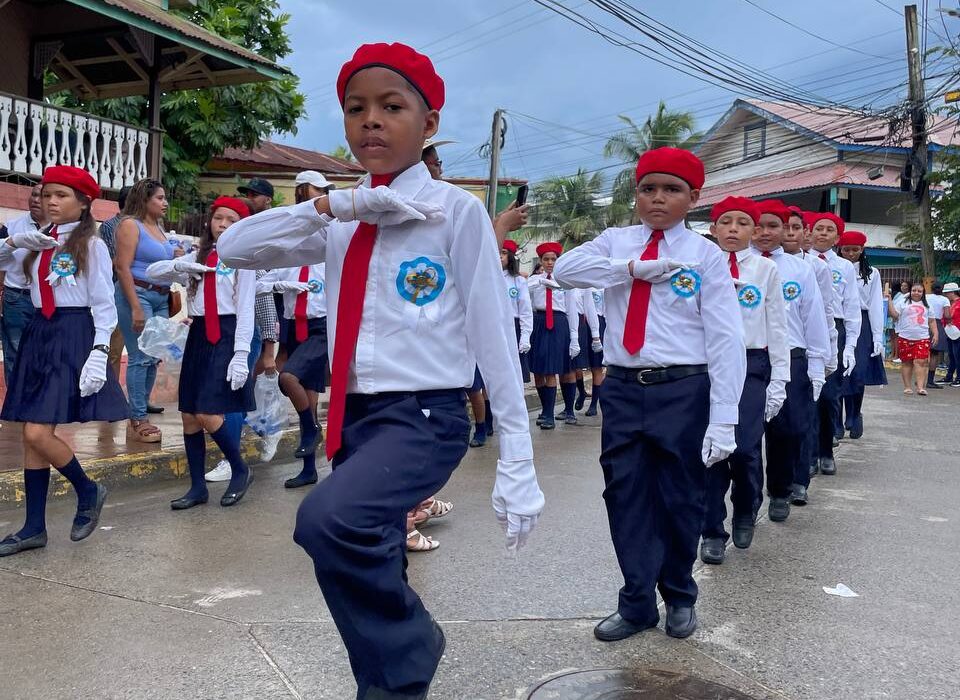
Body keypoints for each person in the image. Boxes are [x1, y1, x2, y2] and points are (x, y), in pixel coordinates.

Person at [217, 42, 544, 699]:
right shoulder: (343, 217)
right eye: (356, 108)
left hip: (425, 414)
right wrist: (334, 208)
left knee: (326, 522)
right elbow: (233, 247)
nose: (371, 120)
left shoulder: (456, 211)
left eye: (391, 107)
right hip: (357, 416)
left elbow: (490, 332)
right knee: (375, 547)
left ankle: (409, 648)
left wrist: (518, 455)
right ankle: (388, 686)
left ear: (426, 125)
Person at [555, 147, 746, 641]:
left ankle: (679, 594)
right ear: (636, 193)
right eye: (648, 188)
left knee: (681, 496)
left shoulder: (705, 255)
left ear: (693, 197)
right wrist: (631, 269)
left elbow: (725, 338)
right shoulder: (616, 242)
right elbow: (565, 270)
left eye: (671, 190)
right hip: (621, 386)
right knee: (625, 494)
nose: (658, 199)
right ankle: (637, 600)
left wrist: (724, 418)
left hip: (682, 389)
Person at [0, 165, 127, 557]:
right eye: (47, 194)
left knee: (39, 432)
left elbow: (105, 304)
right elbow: (15, 277)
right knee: (30, 435)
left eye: (62, 195)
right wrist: (13, 243)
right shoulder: (41, 238)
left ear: (85, 203)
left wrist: (100, 351)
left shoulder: (92, 244)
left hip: (73, 333)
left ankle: (88, 489)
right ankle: (33, 527)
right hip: (42, 331)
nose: (51, 201)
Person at [146, 197, 256, 510]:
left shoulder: (243, 259)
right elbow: (153, 273)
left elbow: (246, 308)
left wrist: (241, 353)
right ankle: (197, 488)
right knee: (190, 414)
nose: (222, 224)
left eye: (231, 220)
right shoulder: (200, 255)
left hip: (227, 332)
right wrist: (179, 266)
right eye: (218, 218)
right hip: (199, 333)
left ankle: (240, 469)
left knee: (208, 411)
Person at [700, 197, 788, 565]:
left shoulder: (765, 271)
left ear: (754, 230)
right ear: (714, 228)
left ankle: (745, 508)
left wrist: (780, 377)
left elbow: (778, 326)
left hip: (752, 364)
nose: (733, 229)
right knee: (709, 452)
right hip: (707, 364)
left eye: (742, 223)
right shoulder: (700, 266)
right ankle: (712, 530)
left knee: (746, 448)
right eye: (726, 222)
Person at [753, 201, 829, 515]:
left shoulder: (801, 270)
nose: (765, 232)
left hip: (792, 358)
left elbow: (814, 318)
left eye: (774, 226)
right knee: (746, 434)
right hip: (749, 357)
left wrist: (817, 365)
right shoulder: (737, 265)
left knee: (789, 429)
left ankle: (780, 489)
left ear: (786, 230)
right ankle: (748, 499)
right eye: (759, 225)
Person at [114, 179, 181, 443]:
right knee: (140, 357)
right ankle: (138, 418)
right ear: (145, 199)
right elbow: (122, 268)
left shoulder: (158, 227)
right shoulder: (131, 225)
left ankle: (141, 413)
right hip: (138, 294)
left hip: (162, 297)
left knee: (154, 356)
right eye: (160, 198)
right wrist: (135, 306)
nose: (165, 203)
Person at [257, 260, 327, 488]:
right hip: (295, 328)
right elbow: (258, 286)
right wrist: (279, 285)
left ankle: (313, 430)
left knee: (287, 377)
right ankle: (309, 470)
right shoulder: (287, 262)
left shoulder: (329, 260)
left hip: (320, 328)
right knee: (306, 397)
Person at [809, 212, 861, 475]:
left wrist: (850, 344)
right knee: (804, 396)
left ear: (837, 238)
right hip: (804, 329)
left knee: (829, 396)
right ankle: (807, 454)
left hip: (834, 329)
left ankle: (826, 451)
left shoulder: (844, 267)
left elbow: (852, 307)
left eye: (829, 230)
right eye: (819, 228)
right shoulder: (800, 262)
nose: (823, 233)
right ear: (809, 231)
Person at [837, 231, 887, 438]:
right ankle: (835, 421)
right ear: (840, 249)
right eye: (846, 249)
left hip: (864, 322)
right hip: (840, 320)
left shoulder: (871, 273)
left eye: (855, 250)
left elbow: (875, 305)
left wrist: (877, 337)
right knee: (838, 371)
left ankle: (855, 413)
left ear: (862, 250)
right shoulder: (834, 269)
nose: (850, 254)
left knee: (857, 373)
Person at [528, 241, 579, 429]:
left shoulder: (565, 282)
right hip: (539, 322)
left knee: (554, 369)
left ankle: (551, 414)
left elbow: (571, 310)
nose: (550, 262)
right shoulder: (535, 280)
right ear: (541, 261)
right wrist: (541, 281)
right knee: (539, 371)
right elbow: (526, 294)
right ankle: (545, 409)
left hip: (558, 323)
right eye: (546, 259)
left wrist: (574, 337)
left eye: (553, 259)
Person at [1, 183, 47, 384]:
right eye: (33, 195)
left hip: (47, 302)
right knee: (15, 354)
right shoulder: (12, 227)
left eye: (42, 196)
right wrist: (13, 242)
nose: (36, 200)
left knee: (44, 353)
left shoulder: (59, 230)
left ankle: (37, 403)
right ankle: (15, 406)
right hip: (17, 299)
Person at [96, 185, 132, 378]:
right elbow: (115, 260)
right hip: (119, 293)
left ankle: (140, 401)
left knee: (143, 351)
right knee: (114, 351)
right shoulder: (111, 226)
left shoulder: (146, 226)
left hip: (142, 294)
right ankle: (112, 398)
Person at [887, 281, 938, 395]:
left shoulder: (927, 304)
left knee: (921, 361)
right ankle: (907, 386)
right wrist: (889, 300)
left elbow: (932, 320)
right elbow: (894, 315)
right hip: (905, 337)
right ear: (910, 291)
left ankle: (920, 387)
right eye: (914, 290)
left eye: (919, 291)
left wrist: (935, 333)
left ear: (923, 292)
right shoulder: (903, 303)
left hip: (922, 337)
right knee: (907, 362)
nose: (916, 293)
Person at [502, 238, 533, 385]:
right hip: (492, 326)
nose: (499, 256)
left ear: (510, 257)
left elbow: (525, 310)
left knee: (515, 374)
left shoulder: (518, 281)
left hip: (513, 327)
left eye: (503, 253)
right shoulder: (487, 278)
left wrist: (525, 336)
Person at [925, 281, 950, 388]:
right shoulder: (945, 300)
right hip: (937, 324)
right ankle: (930, 381)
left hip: (924, 322)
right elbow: (947, 315)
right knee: (934, 354)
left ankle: (921, 379)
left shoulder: (926, 297)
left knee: (924, 353)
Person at [942, 282, 960, 386]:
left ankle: (958, 377)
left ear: (953, 292)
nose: (946, 295)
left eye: (948, 293)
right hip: (950, 331)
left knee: (957, 356)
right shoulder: (949, 303)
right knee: (952, 355)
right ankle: (949, 376)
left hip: (957, 331)